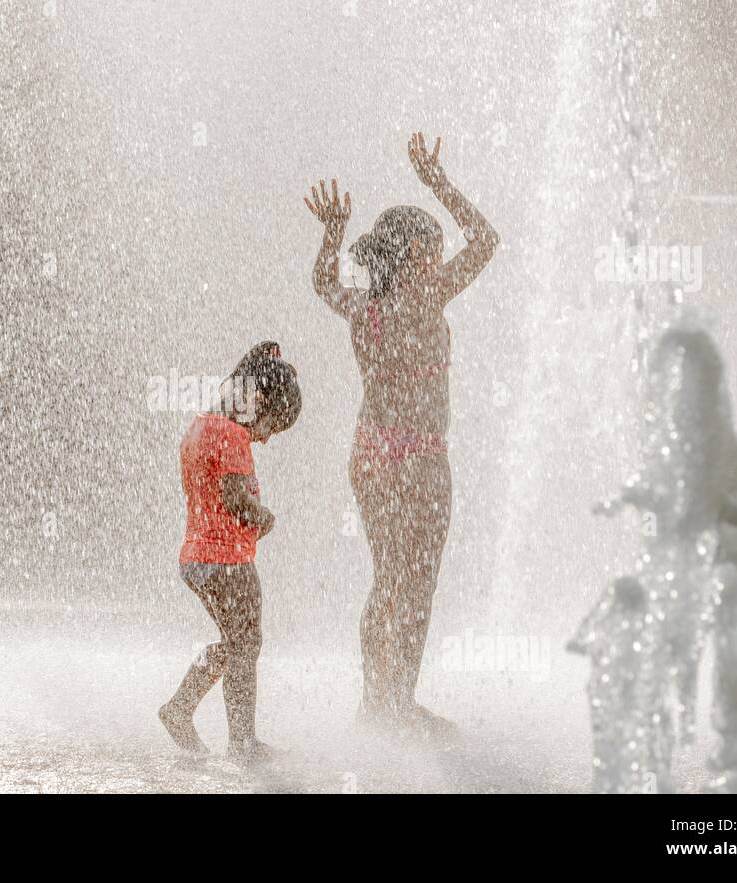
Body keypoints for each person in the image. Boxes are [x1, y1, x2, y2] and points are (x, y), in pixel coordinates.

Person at [303, 133, 498, 733]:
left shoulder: (363, 308)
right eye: (435, 250)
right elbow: (487, 240)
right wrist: (436, 182)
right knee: (415, 582)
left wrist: (332, 237)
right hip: (420, 458)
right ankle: (393, 701)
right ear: (415, 254)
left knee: (391, 574)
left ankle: (378, 702)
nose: (441, 261)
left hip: (374, 453)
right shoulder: (428, 296)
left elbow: (322, 283)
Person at [159, 342, 302, 761]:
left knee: (235, 642)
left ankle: (181, 708)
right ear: (258, 401)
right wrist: (264, 517)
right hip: (227, 561)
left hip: (196, 557)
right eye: (272, 426)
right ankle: (243, 742)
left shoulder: (202, 426)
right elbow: (236, 497)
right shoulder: (234, 434)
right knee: (247, 643)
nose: (268, 438)